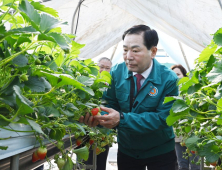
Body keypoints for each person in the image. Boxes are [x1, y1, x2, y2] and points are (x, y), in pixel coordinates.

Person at [80, 24, 178, 170]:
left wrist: (122, 119)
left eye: (135, 50)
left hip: (160, 150)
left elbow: (163, 118)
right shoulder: (116, 73)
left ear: (153, 52)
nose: (128, 57)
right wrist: (98, 118)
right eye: (125, 50)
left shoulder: (168, 79)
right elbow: (110, 104)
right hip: (127, 150)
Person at [83, 57, 112, 170]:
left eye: (107, 68)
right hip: (87, 128)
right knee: (85, 161)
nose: (103, 70)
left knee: (100, 162)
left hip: (105, 130)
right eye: (101, 67)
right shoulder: (89, 82)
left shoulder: (111, 86)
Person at [171, 64, 200, 170]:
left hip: (192, 132)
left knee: (195, 165)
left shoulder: (192, 91)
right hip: (178, 133)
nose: (176, 76)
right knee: (181, 164)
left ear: (185, 76)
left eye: (178, 74)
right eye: (173, 74)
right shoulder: (169, 92)